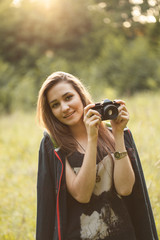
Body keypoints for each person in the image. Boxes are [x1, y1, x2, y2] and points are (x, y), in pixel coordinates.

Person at [36, 71, 137, 240]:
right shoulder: (55, 146)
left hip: (123, 233)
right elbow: (82, 194)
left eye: (68, 97)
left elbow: (125, 189)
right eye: (55, 105)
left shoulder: (112, 134)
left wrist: (118, 135)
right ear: (50, 112)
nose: (64, 108)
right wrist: (92, 139)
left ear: (81, 95)